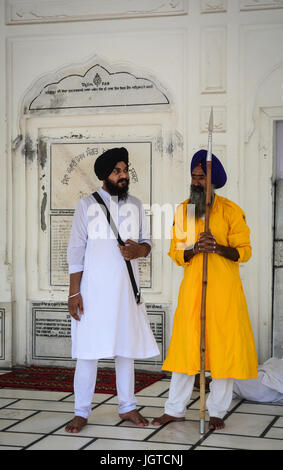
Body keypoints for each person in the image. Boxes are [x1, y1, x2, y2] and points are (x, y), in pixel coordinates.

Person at [152, 150, 258, 431]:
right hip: (193, 294)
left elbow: (245, 252)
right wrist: (194, 249)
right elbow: (175, 252)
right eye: (194, 177)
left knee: (223, 352)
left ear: (213, 182)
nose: (196, 182)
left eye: (202, 177)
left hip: (224, 295)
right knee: (186, 352)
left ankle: (217, 411)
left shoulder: (231, 211)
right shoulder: (185, 210)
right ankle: (174, 409)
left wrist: (218, 248)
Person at [65, 147, 159, 433]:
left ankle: (127, 407)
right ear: (105, 175)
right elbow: (75, 251)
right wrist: (73, 292)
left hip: (125, 293)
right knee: (88, 352)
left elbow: (147, 244)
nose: (123, 175)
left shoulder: (137, 205)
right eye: (117, 171)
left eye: (125, 169)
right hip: (92, 292)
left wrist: (137, 250)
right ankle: (81, 411)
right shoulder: (87, 205)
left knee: (125, 349)